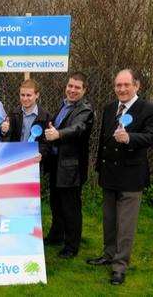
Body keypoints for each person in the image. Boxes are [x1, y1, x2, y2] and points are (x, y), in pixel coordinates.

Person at [87, 69, 153, 285]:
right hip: (109, 174)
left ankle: (120, 266)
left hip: (131, 176)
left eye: (126, 85)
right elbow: (102, 139)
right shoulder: (110, 108)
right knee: (109, 220)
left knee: (126, 224)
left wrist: (130, 138)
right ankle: (108, 254)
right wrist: (99, 167)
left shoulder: (149, 109)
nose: (121, 89)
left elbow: (151, 136)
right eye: (118, 85)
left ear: (136, 85)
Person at [43, 72, 94, 259]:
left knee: (70, 207)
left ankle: (72, 246)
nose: (72, 90)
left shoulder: (85, 109)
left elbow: (78, 128)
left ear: (84, 90)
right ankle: (56, 235)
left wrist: (59, 134)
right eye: (70, 86)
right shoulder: (64, 105)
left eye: (77, 87)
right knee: (56, 203)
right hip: (57, 164)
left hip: (71, 167)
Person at [0, 78, 50, 162]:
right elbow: (7, 138)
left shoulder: (45, 116)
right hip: (15, 158)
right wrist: (4, 131)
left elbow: (46, 143)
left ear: (37, 95)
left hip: (34, 160)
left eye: (29, 95)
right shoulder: (13, 114)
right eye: (22, 95)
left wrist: (41, 153)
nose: (25, 98)